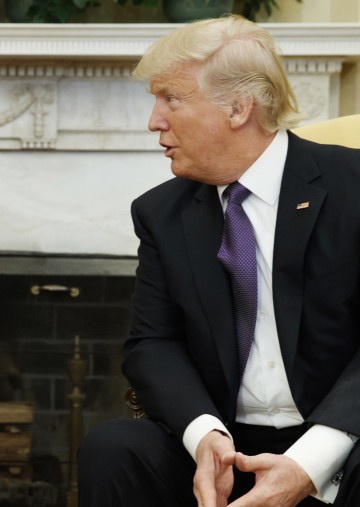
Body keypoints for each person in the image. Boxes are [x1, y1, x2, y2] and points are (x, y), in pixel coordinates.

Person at [78, 14, 360, 507]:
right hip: (225, 449)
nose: (154, 121)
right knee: (114, 448)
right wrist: (204, 436)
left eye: (172, 99)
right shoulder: (162, 213)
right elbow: (152, 343)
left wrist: (308, 464)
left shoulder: (353, 187)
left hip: (339, 443)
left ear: (238, 108)